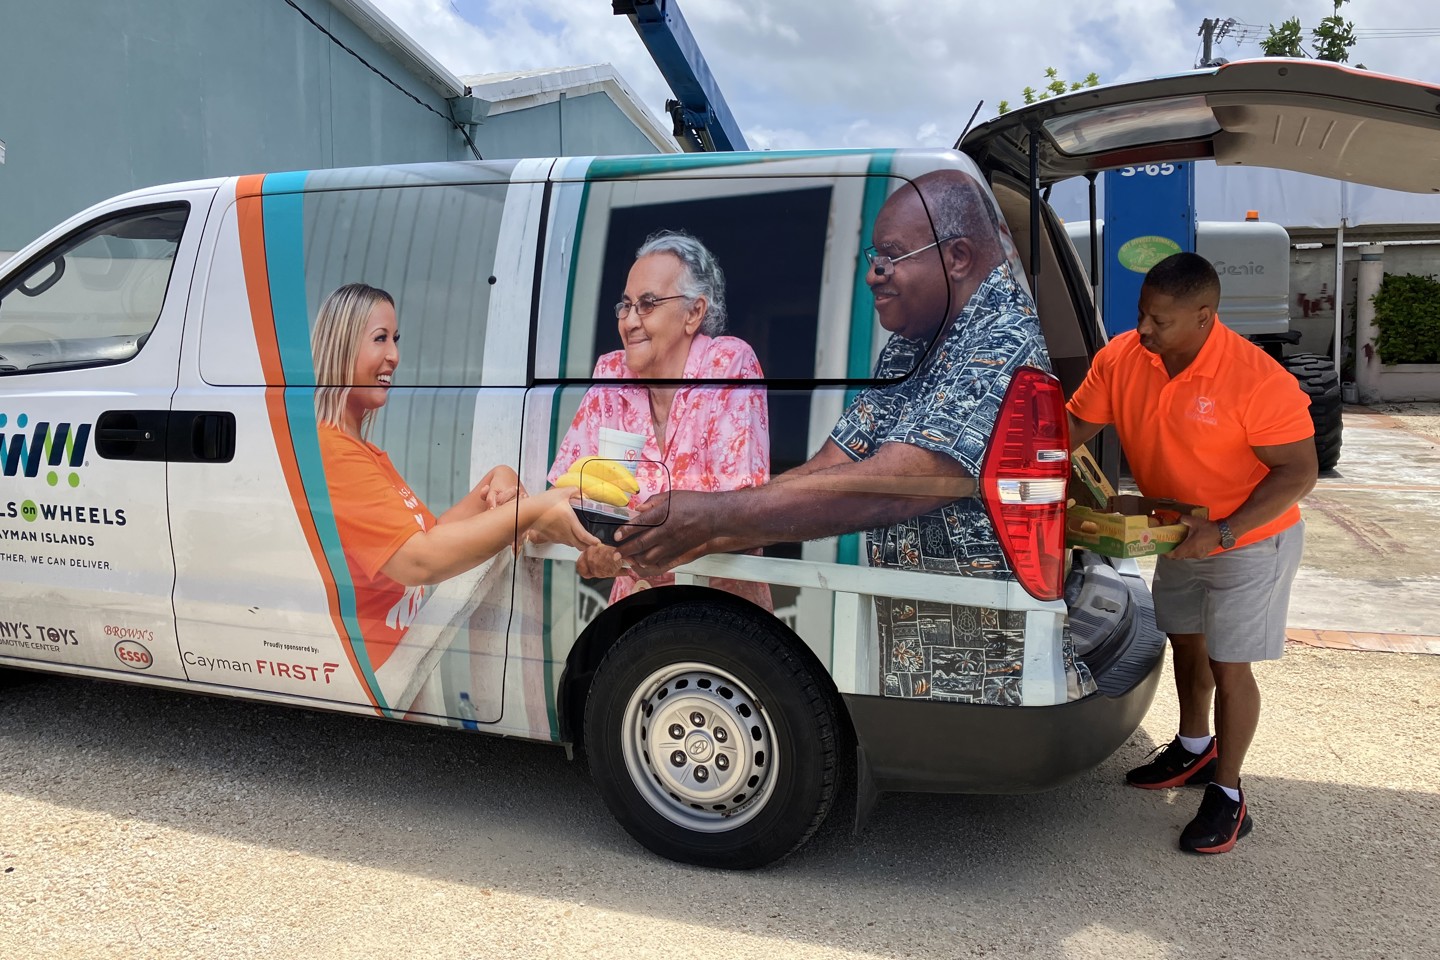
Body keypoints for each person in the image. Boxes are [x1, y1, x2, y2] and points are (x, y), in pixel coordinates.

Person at [613, 170, 1050, 702]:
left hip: (980, 661)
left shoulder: (1001, 334)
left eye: (888, 257)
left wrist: (709, 516)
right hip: (921, 648)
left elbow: (899, 480)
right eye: (872, 258)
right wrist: (690, 535)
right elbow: (833, 461)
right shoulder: (920, 340)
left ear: (957, 257)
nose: (873, 275)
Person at [1066, 252, 1316, 854]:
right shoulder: (1123, 358)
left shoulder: (1255, 379)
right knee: (1187, 640)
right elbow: (1070, 428)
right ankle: (1194, 746)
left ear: (1206, 316)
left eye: (1161, 320)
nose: (1144, 330)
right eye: (1142, 314)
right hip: (1177, 535)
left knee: (1231, 664)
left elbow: (1298, 472)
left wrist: (1225, 531)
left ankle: (1228, 795)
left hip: (1250, 540)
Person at [311, 283, 596, 670]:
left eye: (395, 339)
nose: (394, 356)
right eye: (380, 339)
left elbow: (429, 533)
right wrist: (536, 508)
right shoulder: (334, 454)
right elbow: (419, 562)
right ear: (342, 347)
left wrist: (496, 478)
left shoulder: (365, 454)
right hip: (378, 680)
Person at [549, 229, 771, 610]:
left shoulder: (729, 365)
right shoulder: (612, 373)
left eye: (648, 304)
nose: (630, 321)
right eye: (626, 305)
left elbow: (741, 514)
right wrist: (592, 543)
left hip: (723, 616)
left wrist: (619, 547)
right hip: (636, 618)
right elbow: (564, 495)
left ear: (694, 313)